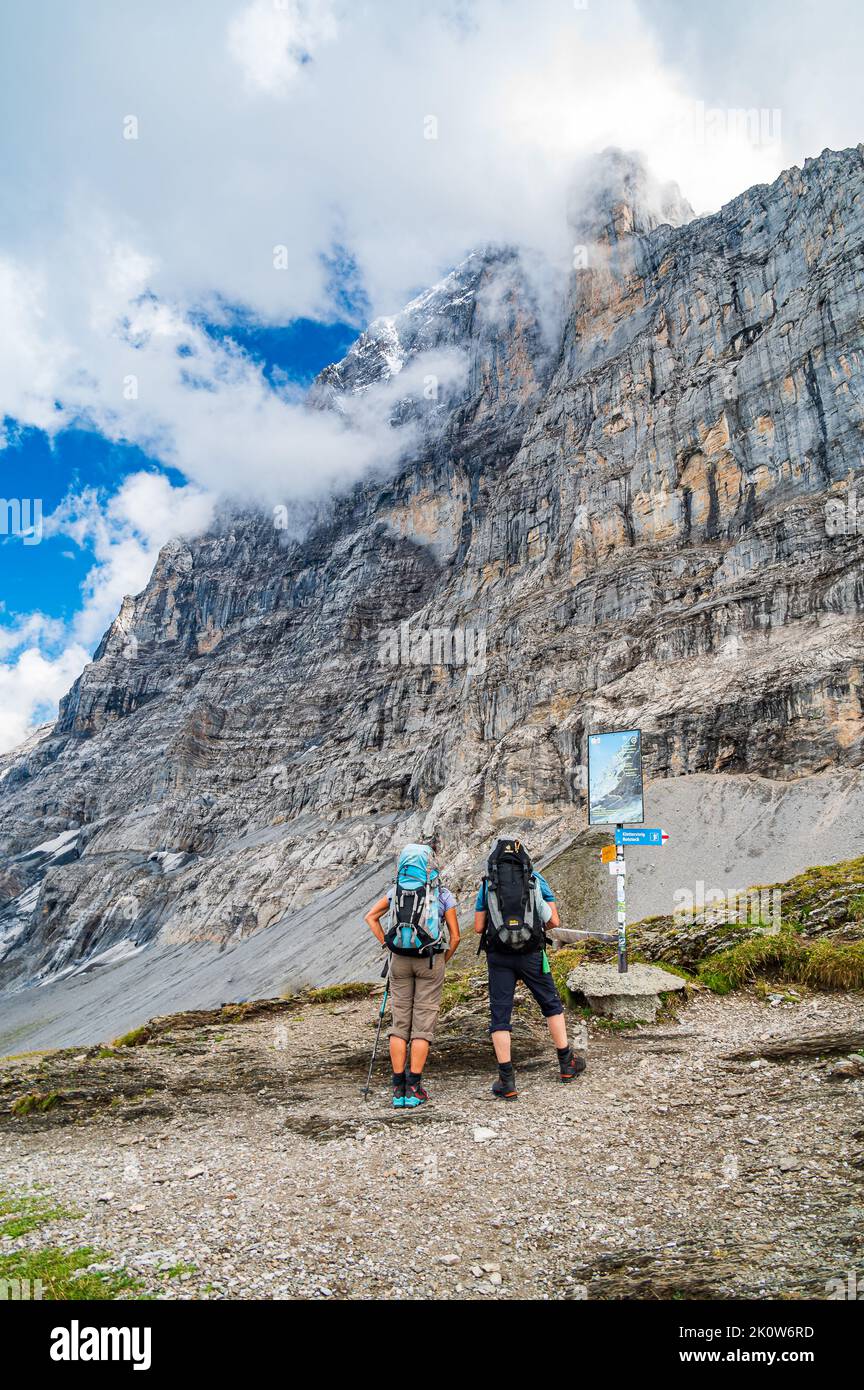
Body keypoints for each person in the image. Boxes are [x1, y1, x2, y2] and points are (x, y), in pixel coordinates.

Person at [474, 837, 584, 1099]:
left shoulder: (488, 882)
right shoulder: (535, 878)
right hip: (533, 955)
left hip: (498, 957)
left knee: (500, 1015)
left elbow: (479, 927)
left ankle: (507, 1081)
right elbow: (553, 921)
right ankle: (566, 1063)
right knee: (551, 1004)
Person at [365, 835, 460, 1108]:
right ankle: (414, 1087)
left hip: (398, 961)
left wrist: (387, 943)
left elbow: (370, 917)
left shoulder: (395, 891)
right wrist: (444, 959)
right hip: (430, 961)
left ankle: (398, 1089)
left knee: (399, 1024)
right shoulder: (441, 893)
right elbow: (455, 936)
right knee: (423, 1024)